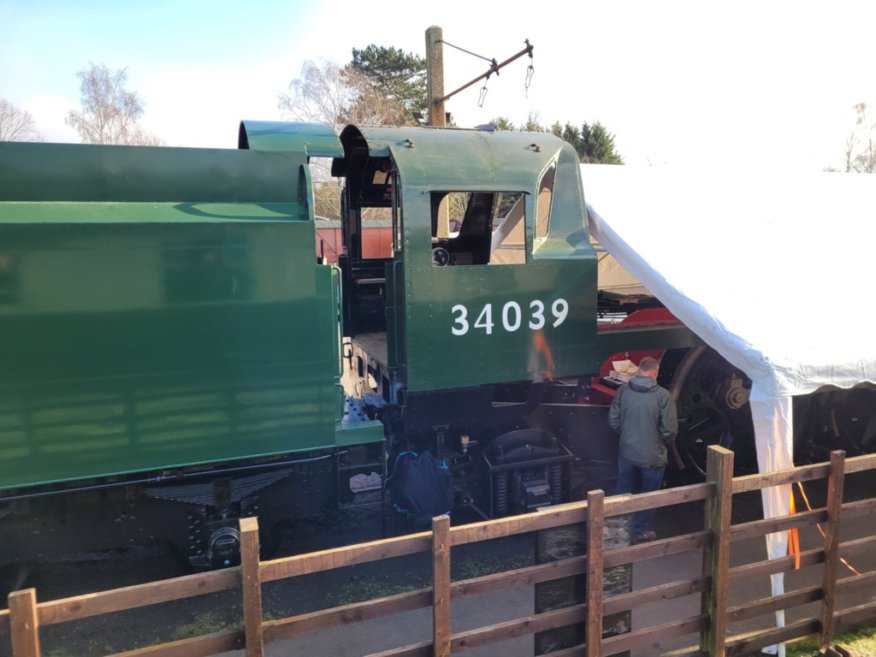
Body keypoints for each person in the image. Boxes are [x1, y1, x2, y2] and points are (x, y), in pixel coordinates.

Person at [608, 356, 678, 543]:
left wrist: (627, 437)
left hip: (627, 451)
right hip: (652, 456)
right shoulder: (663, 396)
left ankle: (616, 528)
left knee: (623, 489)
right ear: (655, 372)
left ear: (639, 370)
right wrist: (659, 443)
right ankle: (639, 531)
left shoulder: (623, 391)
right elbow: (669, 430)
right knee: (649, 495)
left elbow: (613, 420)